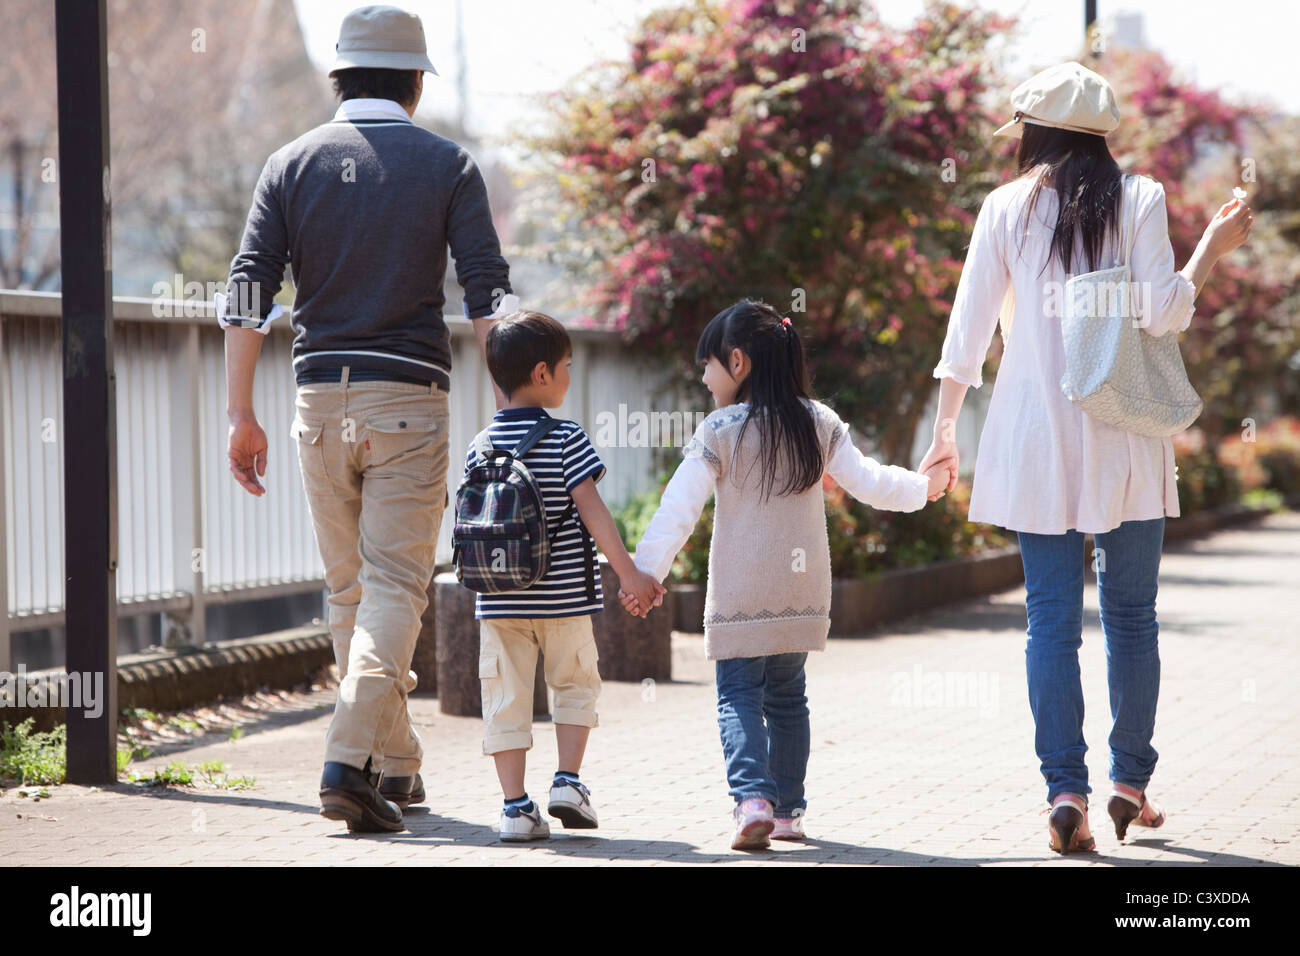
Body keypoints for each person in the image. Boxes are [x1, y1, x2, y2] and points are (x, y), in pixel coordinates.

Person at [917, 62, 1254, 853]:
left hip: (1034, 443)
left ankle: (1063, 792)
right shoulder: (1140, 197)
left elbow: (965, 337)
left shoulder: (1003, 208)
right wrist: (1208, 247)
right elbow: (1163, 313)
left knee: (1050, 623)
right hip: (1124, 437)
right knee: (1133, 618)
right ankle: (1129, 783)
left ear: (1034, 133)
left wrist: (943, 432)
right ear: (1101, 133)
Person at [221, 5, 517, 832]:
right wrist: (510, 412)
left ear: (340, 77)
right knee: (395, 587)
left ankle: (398, 763)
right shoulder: (448, 166)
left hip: (316, 400)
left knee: (353, 590)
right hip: (409, 402)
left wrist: (239, 412)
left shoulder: (290, 162)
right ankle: (348, 759)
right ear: (416, 83)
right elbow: (488, 295)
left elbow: (248, 291)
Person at [620, 300, 950, 850]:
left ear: (739, 362)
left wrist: (645, 574)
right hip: (801, 591)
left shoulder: (719, 430)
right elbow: (869, 483)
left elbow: (679, 510)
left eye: (708, 364)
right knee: (788, 696)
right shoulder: (818, 422)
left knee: (737, 696)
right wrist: (925, 488)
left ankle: (752, 800)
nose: (703, 377)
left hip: (741, 593)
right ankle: (788, 812)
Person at [464, 310, 666, 842]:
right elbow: (593, 511)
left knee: (504, 698)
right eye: (567, 366)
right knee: (574, 685)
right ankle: (567, 782)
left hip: (498, 603)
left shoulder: (479, 446)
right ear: (541, 374)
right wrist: (630, 576)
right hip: (565, 601)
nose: (570, 376)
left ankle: (514, 808)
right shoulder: (566, 438)